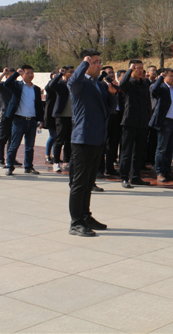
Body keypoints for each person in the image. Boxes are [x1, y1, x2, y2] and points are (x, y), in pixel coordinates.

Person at [67, 49, 118, 237]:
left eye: (99, 62)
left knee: (89, 182)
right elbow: (72, 82)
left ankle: (86, 216)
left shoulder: (99, 84)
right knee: (79, 183)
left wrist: (112, 94)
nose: (98, 65)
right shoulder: (80, 84)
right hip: (83, 138)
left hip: (97, 138)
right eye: (94, 62)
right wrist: (84, 63)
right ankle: (76, 222)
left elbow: (110, 109)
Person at [3, 65, 45, 175]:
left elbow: (39, 106)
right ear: (22, 74)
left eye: (32, 73)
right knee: (14, 145)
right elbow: (7, 84)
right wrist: (16, 73)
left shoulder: (36, 89)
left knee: (30, 147)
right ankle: (9, 166)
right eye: (27, 73)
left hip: (32, 121)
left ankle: (28, 167)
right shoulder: (17, 85)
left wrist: (40, 120)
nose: (30, 75)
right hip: (19, 120)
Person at [118, 60, 152, 188]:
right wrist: (129, 70)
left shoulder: (144, 85)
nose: (140, 71)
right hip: (130, 122)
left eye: (142, 68)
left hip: (143, 122)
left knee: (139, 152)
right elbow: (122, 84)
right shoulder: (129, 84)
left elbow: (148, 103)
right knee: (127, 151)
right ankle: (124, 177)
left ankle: (135, 176)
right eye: (137, 68)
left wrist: (149, 118)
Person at [150, 68, 173, 182]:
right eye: (170, 76)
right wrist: (160, 79)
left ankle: (168, 171)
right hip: (165, 123)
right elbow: (154, 90)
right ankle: (159, 172)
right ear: (164, 77)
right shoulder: (162, 88)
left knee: (170, 149)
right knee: (161, 149)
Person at [46, 66, 74, 172]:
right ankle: (56, 162)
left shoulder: (74, 84)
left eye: (73, 72)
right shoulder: (60, 84)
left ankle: (67, 161)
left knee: (69, 141)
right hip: (62, 116)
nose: (72, 74)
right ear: (65, 73)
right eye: (70, 72)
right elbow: (51, 86)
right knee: (59, 140)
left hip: (72, 117)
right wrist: (59, 75)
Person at [43, 69, 59, 166]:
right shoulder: (50, 86)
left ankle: (54, 155)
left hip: (58, 115)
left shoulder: (61, 86)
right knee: (53, 135)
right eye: (55, 75)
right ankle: (47, 155)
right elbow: (48, 88)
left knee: (57, 137)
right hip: (50, 115)